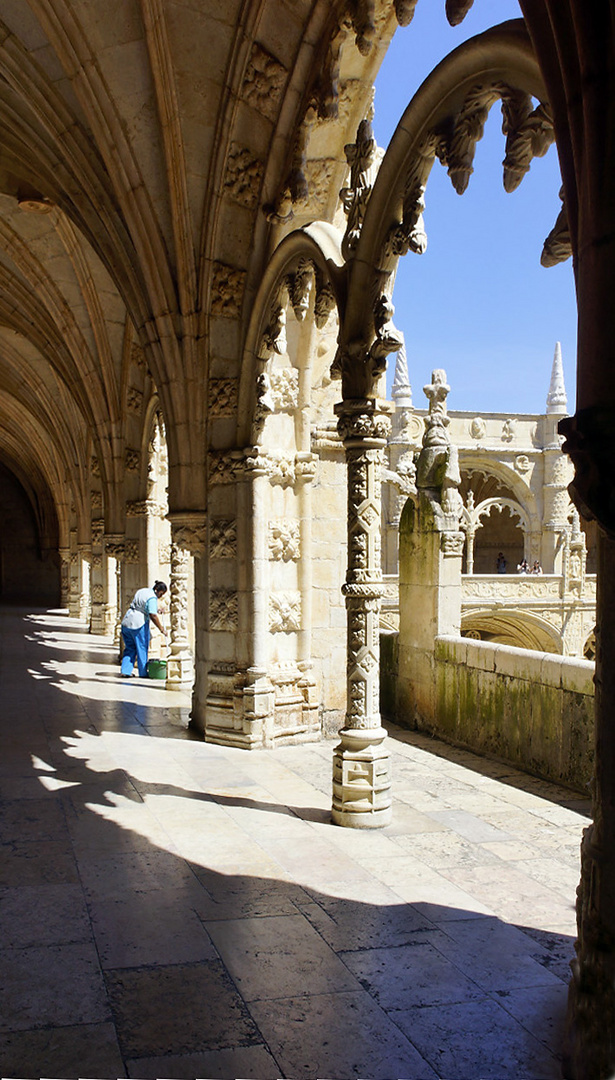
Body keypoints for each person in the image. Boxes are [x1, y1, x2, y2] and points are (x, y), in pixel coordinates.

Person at [120, 580, 168, 677]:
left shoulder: (143, 591)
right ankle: (143, 673)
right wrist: (161, 629)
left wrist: (157, 610)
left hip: (127, 621)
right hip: (138, 624)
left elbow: (141, 605)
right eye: (161, 594)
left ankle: (125, 671)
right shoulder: (152, 598)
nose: (161, 596)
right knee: (142, 648)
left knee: (129, 648)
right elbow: (152, 615)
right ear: (159, 591)